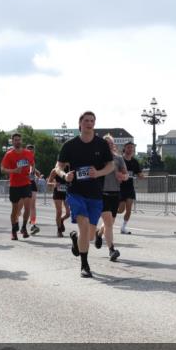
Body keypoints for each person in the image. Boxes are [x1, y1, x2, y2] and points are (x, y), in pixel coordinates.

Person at [54, 111, 115, 278]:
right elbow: (58, 167)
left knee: (89, 235)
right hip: (76, 192)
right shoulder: (70, 145)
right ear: (80, 123)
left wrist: (99, 173)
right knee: (84, 224)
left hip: (95, 193)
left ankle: (76, 240)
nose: (89, 123)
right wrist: (65, 175)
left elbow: (110, 166)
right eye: (86, 120)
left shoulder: (101, 144)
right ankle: (84, 265)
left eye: (92, 121)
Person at [94, 134, 126, 262]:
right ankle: (111, 250)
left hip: (115, 193)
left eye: (110, 143)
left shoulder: (118, 159)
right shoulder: (98, 159)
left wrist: (122, 176)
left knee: (110, 223)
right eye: (106, 143)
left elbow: (126, 175)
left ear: (113, 145)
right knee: (108, 223)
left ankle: (99, 233)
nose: (108, 145)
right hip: (102, 193)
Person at [1, 133, 34, 240]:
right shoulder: (9, 154)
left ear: (21, 141)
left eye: (19, 140)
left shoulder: (28, 153)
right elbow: (2, 169)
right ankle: (13, 230)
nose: (17, 141)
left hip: (26, 183)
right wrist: (14, 171)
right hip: (14, 185)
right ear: (12, 141)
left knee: (27, 207)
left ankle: (24, 227)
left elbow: (32, 164)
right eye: (15, 140)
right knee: (15, 210)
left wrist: (31, 171)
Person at [117, 142, 144, 234]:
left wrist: (141, 175)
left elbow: (139, 173)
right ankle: (108, 212)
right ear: (124, 148)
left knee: (128, 210)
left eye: (132, 148)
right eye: (128, 147)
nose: (130, 149)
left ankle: (123, 227)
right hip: (120, 188)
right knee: (121, 210)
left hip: (130, 188)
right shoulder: (120, 160)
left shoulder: (134, 161)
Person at [48, 164, 71, 237]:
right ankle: (59, 230)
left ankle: (61, 220)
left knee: (68, 213)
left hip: (66, 193)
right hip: (57, 193)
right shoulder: (55, 170)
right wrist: (54, 184)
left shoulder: (69, 169)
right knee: (59, 212)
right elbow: (48, 182)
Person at [26, 144, 41, 235]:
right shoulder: (22, 159)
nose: (31, 153)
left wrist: (36, 173)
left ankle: (33, 224)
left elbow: (32, 169)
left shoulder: (33, 161)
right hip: (22, 184)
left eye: (32, 152)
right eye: (29, 151)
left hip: (31, 183)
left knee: (32, 205)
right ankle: (16, 224)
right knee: (21, 206)